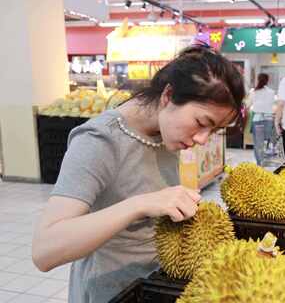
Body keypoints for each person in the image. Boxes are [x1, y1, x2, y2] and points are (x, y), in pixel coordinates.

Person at [31, 46, 245, 303]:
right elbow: (45, 250)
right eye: (201, 123)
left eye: (213, 131)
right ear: (168, 95)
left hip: (156, 282)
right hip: (110, 291)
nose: (202, 139)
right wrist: (140, 204)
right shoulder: (99, 141)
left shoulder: (167, 133)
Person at [246, 73, 276, 165]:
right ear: (267, 81)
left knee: (258, 144)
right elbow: (273, 105)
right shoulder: (272, 92)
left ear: (258, 80)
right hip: (269, 119)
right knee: (268, 143)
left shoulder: (253, 91)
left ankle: (260, 164)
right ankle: (267, 162)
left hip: (257, 120)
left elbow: (248, 105)